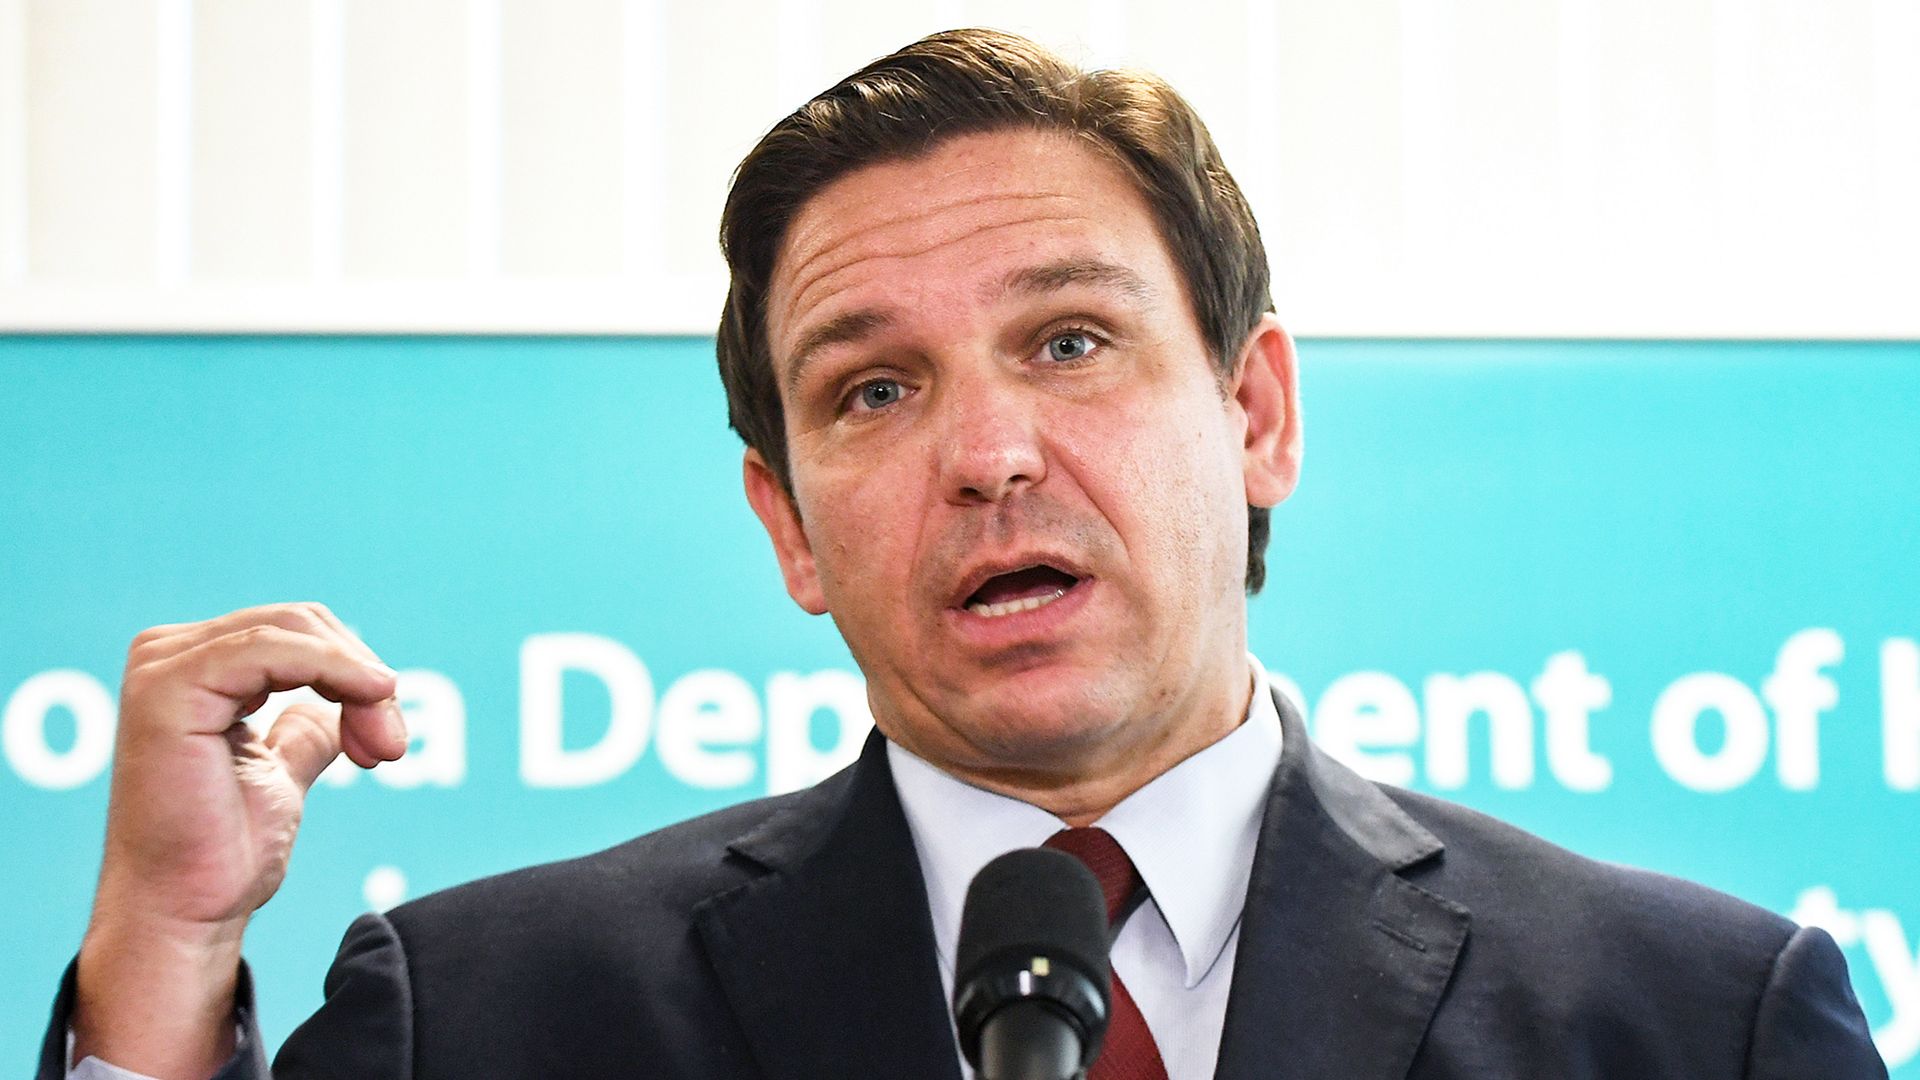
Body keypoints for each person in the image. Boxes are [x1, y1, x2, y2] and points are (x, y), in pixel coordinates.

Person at [42, 28, 1885, 1080]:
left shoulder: (1694, 1021)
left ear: (1255, 413)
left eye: (1070, 342)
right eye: (873, 390)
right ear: (789, 525)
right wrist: (163, 955)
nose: (990, 453)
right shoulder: (486, 1020)